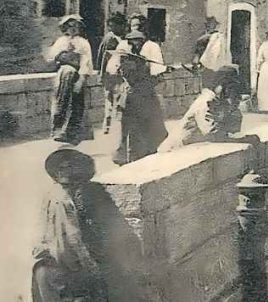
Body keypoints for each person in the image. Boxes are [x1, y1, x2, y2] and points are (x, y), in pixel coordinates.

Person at [33, 148, 104, 302]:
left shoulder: (50, 194)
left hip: (43, 266)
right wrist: (92, 268)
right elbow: (73, 239)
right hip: (63, 271)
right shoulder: (66, 202)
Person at [113, 31, 168, 165]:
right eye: (133, 41)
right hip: (133, 97)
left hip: (146, 96)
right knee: (132, 129)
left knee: (150, 125)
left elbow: (155, 78)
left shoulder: (143, 59)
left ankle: (146, 152)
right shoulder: (126, 61)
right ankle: (131, 156)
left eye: (139, 41)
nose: (136, 43)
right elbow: (129, 78)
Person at [158, 66, 243, 152]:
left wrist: (233, 109)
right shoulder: (207, 102)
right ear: (219, 86)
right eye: (229, 87)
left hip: (192, 147)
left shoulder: (221, 102)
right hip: (176, 150)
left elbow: (232, 129)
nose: (232, 92)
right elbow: (211, 134)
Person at [47, 15, 94, 144]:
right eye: (70, 26)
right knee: (61, 102)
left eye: (76, 26)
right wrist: (63, 52)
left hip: (76, 75)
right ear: (65, 27)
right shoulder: (60, 41)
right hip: (63, 77)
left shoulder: (83, 43)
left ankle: (72, 133)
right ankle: (59, 130)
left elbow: (86, 62)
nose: (73, 29)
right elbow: (51, 58)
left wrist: (81, 80)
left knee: (76, 104)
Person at [96, 13, 126, 135]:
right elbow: (102, 57)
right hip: (109, 73)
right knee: (109, 100)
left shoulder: (124, 38)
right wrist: (101, 73)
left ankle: (118, 125)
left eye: (116, 26)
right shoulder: (109, 39)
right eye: (111, 26)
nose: (113, 28)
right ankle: (107, 125)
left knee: (120, 99)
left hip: (121, 73)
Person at [193, 16, 227, 88]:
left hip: (212, 63)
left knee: (212, 82)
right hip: (204, 62)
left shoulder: (216, 36)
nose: (208, 26)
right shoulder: (205, 35)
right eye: (207, 25)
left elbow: (215, 51)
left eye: (210, 25)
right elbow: (199, 44)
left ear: (214, 26)